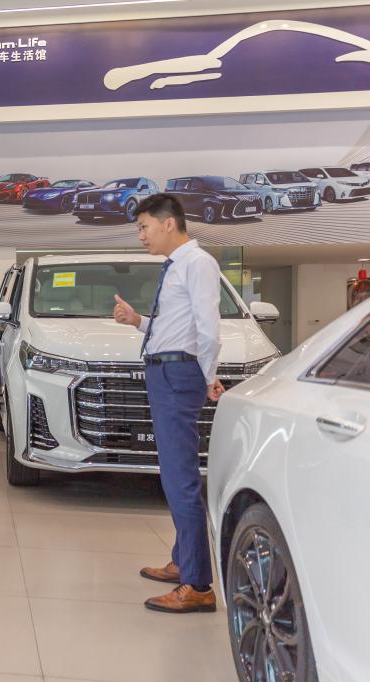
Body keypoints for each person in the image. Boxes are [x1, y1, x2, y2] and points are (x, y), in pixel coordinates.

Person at [112, 193, 224, 614]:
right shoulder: (177, 265)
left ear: (169, 223)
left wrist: (209, 375)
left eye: (144, 227)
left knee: (180, 479)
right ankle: (182, 561)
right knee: (174, 474)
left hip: (179, 374)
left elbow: (207, 328)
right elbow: (178, 326)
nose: (141, 235)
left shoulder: (197, 263)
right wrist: (138, 321)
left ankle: (198, 584)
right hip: (167, 371)